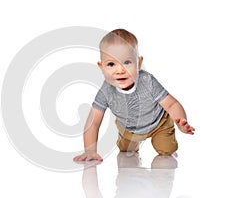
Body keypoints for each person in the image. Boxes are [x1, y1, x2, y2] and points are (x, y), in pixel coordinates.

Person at [73, 29, 195, 162]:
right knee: (126, 151)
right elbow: (93, 122)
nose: (120, 70)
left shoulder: (147, 81)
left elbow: (171, 104)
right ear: (101, 67)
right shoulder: (106, 90)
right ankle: (131, 145)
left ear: (139, 63)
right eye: (111, 64)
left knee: (166, 150)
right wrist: (90, 151)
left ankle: (169, 145)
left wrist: (181, 120)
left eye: (127, 62)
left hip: (158, 124)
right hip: (129, 128)